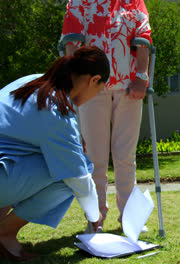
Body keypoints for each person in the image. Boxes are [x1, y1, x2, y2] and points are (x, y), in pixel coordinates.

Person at [0, 46, 109, 261]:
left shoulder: (33, 82)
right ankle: (4, 233)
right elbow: (77, 177)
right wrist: (94, 216)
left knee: (64, 163)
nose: (94, 96)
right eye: (99, 90)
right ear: (93, 80)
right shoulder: (56, 109)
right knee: (74, 170)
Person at [61, 0, 152, 232]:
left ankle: (130, 219)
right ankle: (95, 218)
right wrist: (76, 82)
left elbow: (144, 38)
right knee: (94, 157)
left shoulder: (134, 2)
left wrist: (142, 76)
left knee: (126, 157)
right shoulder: (79, 2)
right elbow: (71, 41)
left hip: (128, 87)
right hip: (92, 87)